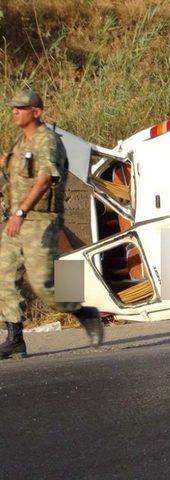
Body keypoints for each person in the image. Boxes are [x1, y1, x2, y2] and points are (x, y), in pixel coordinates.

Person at [0, 89, 104, 359]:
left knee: (44, 286)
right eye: (14, 108)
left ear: (36, 112)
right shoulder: (21, 142)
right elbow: (12, 172)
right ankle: (15, 339)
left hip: (38, 221)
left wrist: (20, 212)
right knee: (4, 276)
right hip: (16, 220)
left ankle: (84, 312)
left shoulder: (47, 141)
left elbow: (44, 180)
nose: (15, 112)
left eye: (21, 108)